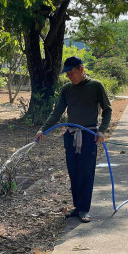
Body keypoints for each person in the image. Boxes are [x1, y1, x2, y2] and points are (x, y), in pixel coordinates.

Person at [34, 56, 112, 223]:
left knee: (86, 173)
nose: (70, 76)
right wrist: (43, 130)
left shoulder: (96, 86)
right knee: (74, 173)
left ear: (81, 69)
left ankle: (84, 209)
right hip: (70, 136)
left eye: (72, 73)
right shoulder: (66, 89)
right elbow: (57, 112)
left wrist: (102, 131)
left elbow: (107, 110)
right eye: (67, 74)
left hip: (89, 136)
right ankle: (77, 207)